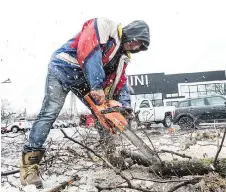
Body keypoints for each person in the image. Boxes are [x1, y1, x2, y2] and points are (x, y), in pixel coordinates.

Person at [20, 17, 150, 188]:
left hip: (85, 80)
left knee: (104, 115)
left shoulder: (122, 58)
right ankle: (29, 167)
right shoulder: (105, 27)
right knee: (50, 112)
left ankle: (111, 155)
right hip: (62, 69)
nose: (136, 47)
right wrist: (96, 84)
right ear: (132, 32)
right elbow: (90, 51)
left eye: (140, 47)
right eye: (137, 42)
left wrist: (123, 106)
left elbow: (120, 82)